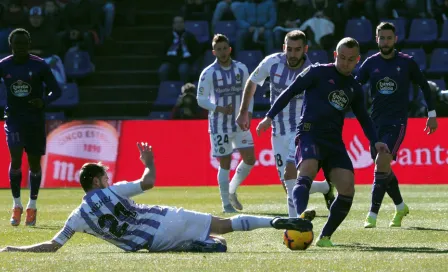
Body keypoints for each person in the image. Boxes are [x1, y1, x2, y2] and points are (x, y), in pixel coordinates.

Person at [0, 143, 313, 253]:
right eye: (104, 176)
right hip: (164, 219)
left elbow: (53, 246)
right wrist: (148, 161)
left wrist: (15, 247)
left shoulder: (77, 216)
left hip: (149, 245)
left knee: (217, 241)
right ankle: (276, 221)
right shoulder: (112, 190)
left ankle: (196, 246)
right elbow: (148, 182)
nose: (107, 179)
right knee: (225, 226)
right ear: (97, 180)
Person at [256, 37, 389, 247]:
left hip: (333, 141)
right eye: (342, 57)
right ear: (335, 55)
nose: (345, 63)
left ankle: (325, 237)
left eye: (350, 59)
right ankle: (300, 218)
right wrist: (269, 116)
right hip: (310, 132)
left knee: (347, 188)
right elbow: (289, 92)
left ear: (357, 60)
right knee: (307, 170)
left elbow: (364, 118)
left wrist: (376, 141)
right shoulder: (316, 72)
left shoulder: (354, 88)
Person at [236, 30, 335, 219]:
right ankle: (324, 187)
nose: (292, 54)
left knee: (290, 175)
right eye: (289, 49)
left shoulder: (311, 71)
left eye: (297, 50)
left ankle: (294, 223)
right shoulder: (271, 62)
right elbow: (252, 81)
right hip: (278, 131)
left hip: (300, 129)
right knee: (288, 182)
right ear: (284, 48)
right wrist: (243, 112)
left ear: (305, 49)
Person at [356, 22, 438, 229]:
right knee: (383, 166)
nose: (385, 42)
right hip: (374, 123)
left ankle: (372, 215)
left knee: (381, 162)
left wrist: (432, 113)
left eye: (388, 38)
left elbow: (424, 86)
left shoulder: (407, 62)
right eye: (381, 38)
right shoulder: (370, 63)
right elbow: (354, 87)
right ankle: (400, 207)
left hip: (397, 121)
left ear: (395, 39)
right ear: (377, 39)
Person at [1, 28, 62, 227]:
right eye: (16, 44)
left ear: (29, 44)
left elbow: (56, 90)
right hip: (14, 120)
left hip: (35, 120)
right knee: (16, 157)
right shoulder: (4, 65)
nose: (20, 48)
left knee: (35, 164)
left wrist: (43, 102)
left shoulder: (39, 65)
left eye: (23, 44)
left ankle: (32, 206)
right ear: (11, 46)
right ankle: (16, 204)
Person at [197, 34, 256, 213]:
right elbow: (200, 99)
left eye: (225, 48)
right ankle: (226, 204)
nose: (222, 52)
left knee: (250, 159)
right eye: (219, 49)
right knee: (225, 163)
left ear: (230, 49)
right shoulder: (208, 73)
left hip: (240, 123)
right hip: (219, 125)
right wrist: (219, 108)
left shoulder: (241, 68)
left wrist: (248, 113)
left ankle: (231, 190)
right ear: (214, 52)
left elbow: (249, 92)